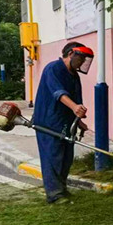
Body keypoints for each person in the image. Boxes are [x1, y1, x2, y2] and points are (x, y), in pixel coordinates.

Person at [33, 42, 94, 204]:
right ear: (71, 54)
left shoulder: (74, 76)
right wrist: (74, 107)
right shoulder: (53, 68)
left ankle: (61, 189)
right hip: (48, 122)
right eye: (81, 58)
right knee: (52, 157)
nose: (82, 62)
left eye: (85, 60)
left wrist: (79, 122)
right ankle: (54, 195)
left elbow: (77, 99)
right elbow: (58, 93)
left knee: (66, 159)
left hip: (66, 123)